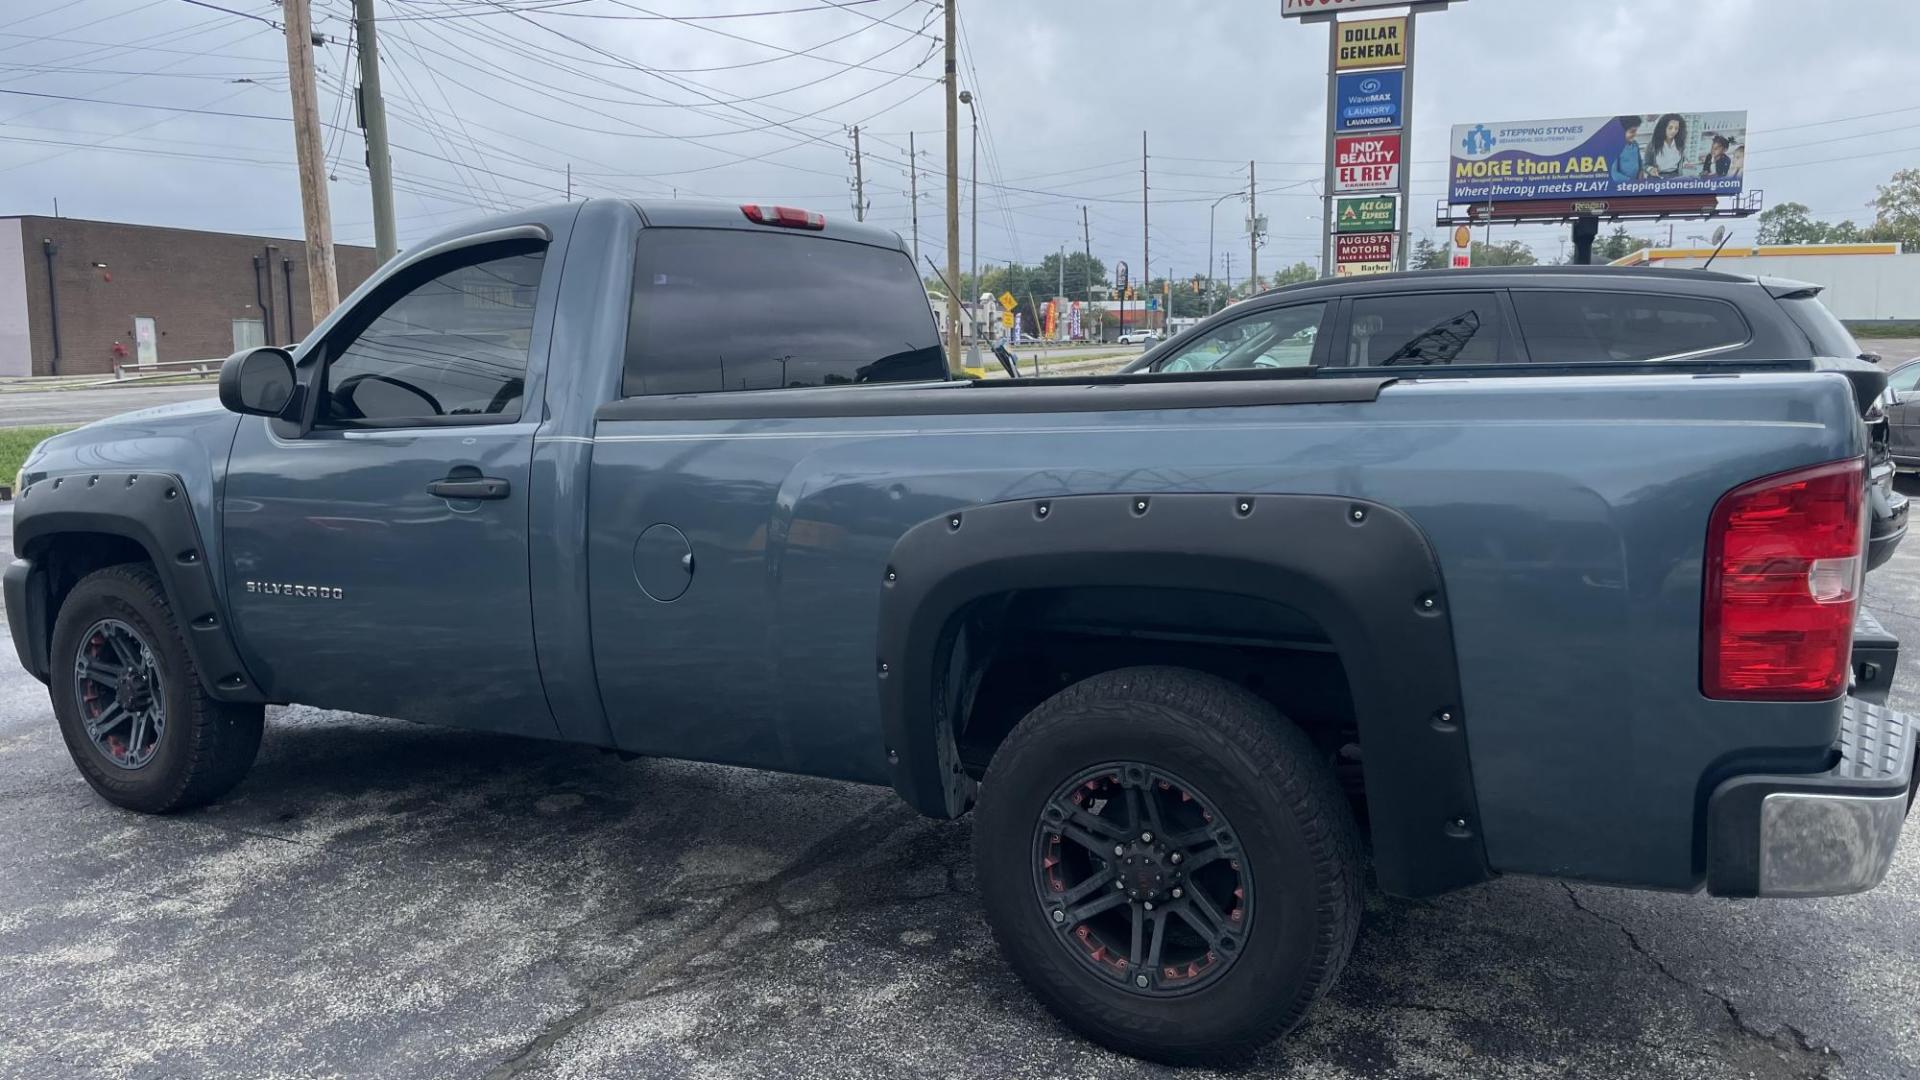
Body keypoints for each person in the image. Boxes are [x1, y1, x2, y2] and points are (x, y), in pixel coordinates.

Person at [1648, 113, 1688, 177]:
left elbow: (1682, 159)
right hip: (1658, 177)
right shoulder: (1653, 144)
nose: (1673, 131)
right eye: (1670, 128)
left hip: (1675, 176)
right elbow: (1645, 165)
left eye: (1676, 128)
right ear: (1663, 128)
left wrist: (1685, 163)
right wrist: (1651, 169)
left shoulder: (1680, 144)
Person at [1610, 116, 1645, 184]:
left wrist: (1641, 173)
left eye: (1636, 131)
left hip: (1636, 184)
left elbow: (1640, 163)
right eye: (1632, 132)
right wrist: (1631, 181)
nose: (1635, 134)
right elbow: (1614, 174)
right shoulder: (1615, 148)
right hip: (1623, 185)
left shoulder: (1635, 144)